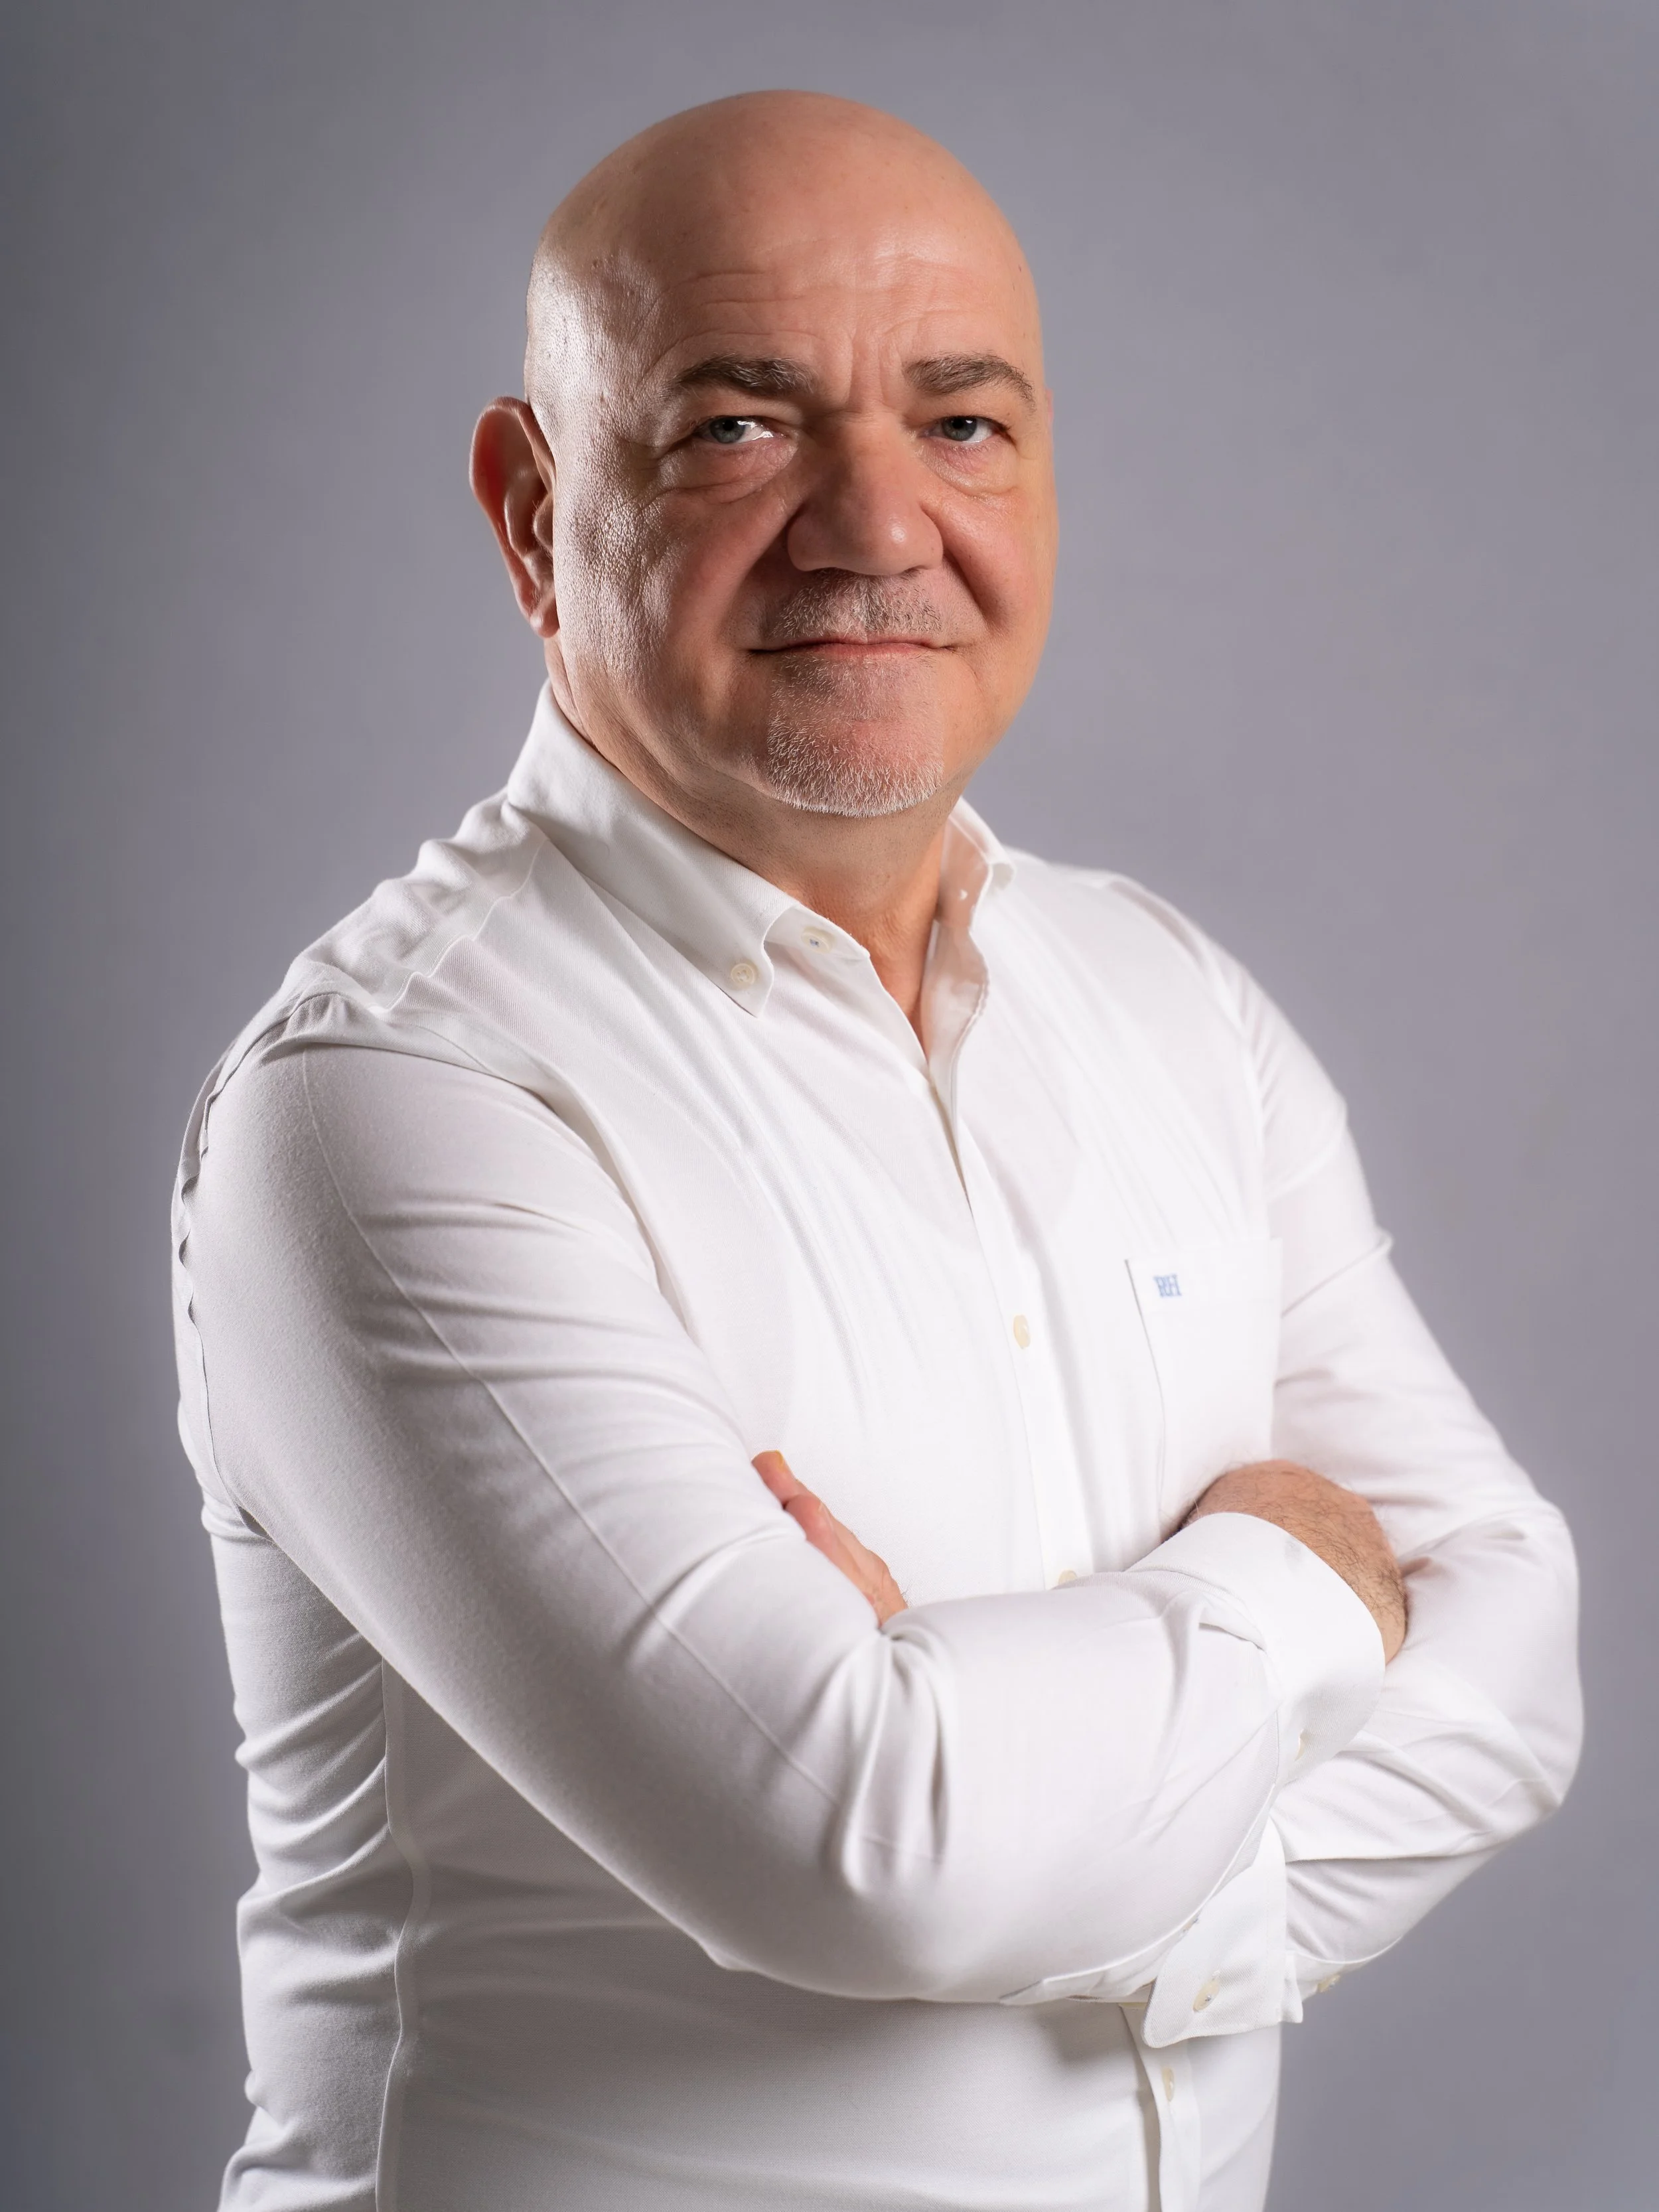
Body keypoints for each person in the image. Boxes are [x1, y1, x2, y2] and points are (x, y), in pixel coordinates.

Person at [171, 90, 1581, 2212]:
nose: (874, 522)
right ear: (532, 508)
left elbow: (1519, 1651)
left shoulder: (1166, 1000)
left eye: (961, 421)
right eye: (741, 423)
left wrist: (1051, 1838)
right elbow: (866, 1851)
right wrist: (1302, 1575)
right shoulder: (388, 1101)